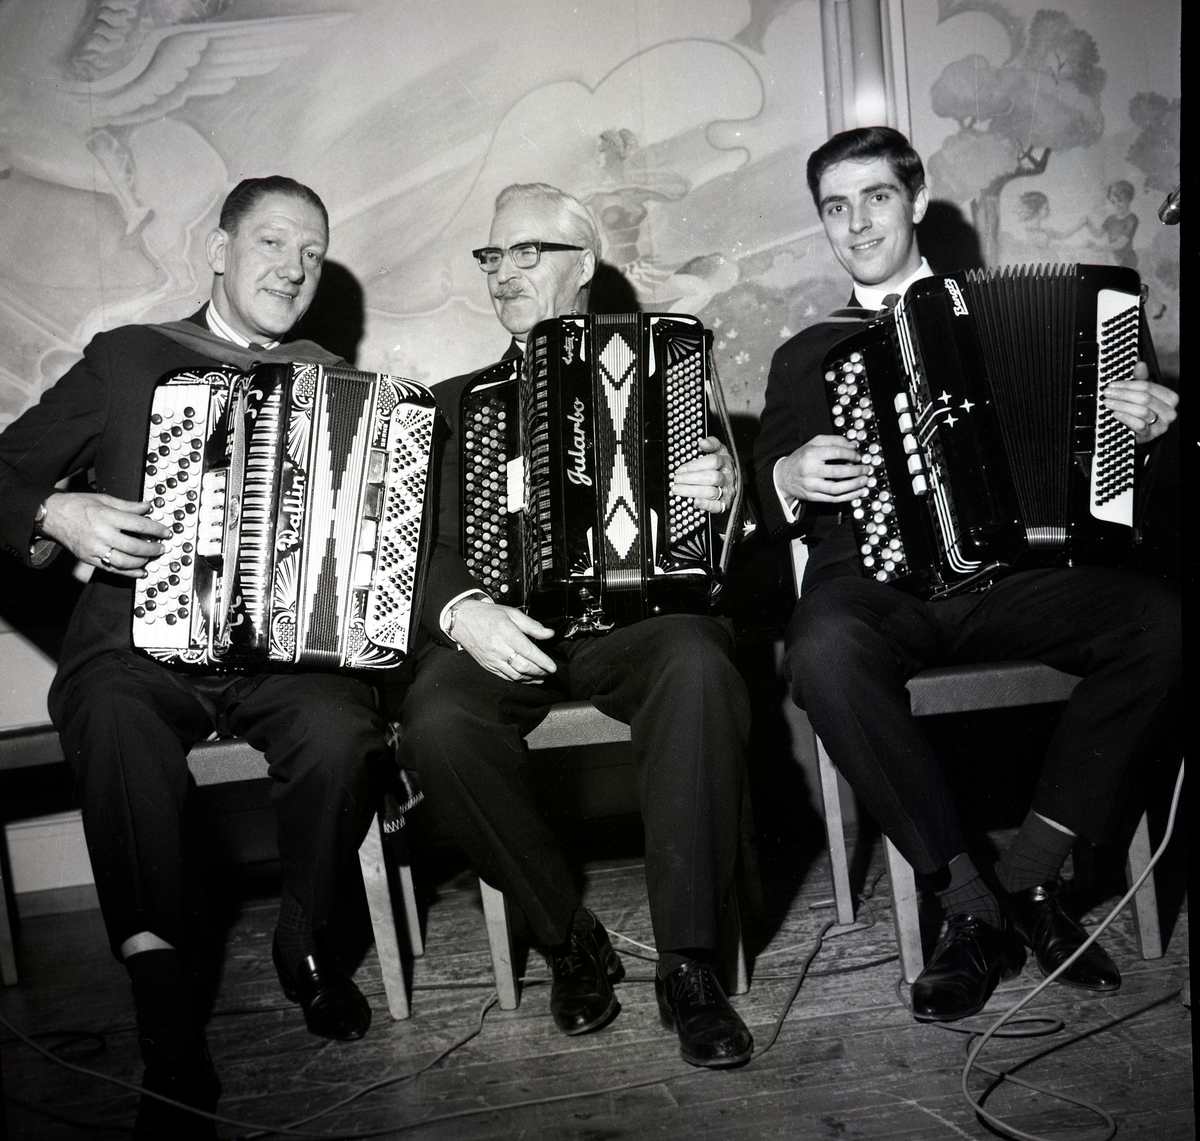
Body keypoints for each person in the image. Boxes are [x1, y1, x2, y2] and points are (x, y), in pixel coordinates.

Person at [754, 128, 1180, 1024]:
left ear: (916, 200)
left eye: (876, 197)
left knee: (1161, 617)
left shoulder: (1028, 311)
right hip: (877, 593)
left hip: (1015, 582)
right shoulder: (804, 354)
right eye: (836, 207)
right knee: (820, 648)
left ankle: (1030, 877)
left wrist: (1146, 432)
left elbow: (1122, 481)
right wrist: (789, 473)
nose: (857, 223)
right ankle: (970, 907)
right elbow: (766, 488)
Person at [0, 177, 388, 1137]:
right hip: (139, 644)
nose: (293, 267)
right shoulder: (129, 356)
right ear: (218, 251)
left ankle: (306, 941)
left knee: (340, 730)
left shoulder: (329, 376)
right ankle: (168, 1026)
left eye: (312, 252)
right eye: (272, 242)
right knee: (114, 723)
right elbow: (7, 470)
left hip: (280, 653)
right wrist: (55, 509)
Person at [392, 183, 753, 1067]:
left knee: (699, 662)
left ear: (584, 264)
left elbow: (715, 528)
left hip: (635, 624)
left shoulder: (667, 365)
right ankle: (566, 936)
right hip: (505, 630)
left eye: (528, 252)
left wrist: (722, 492)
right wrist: (467, 612)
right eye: (493, 256)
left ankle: (689, 963)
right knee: (437, 722)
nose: (503, 273)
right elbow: (419, 546)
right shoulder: (452, 404)